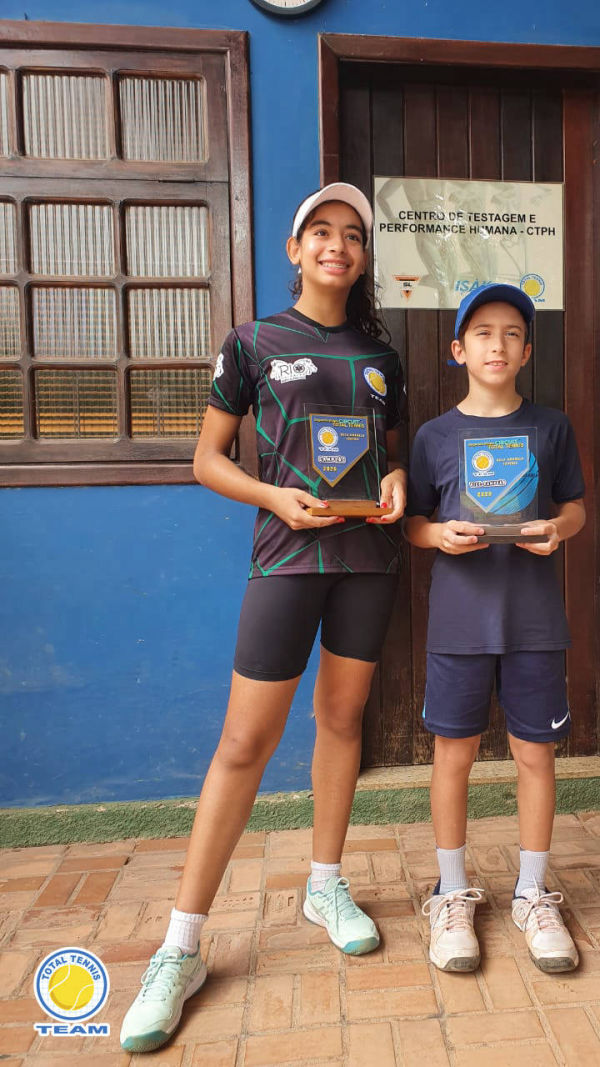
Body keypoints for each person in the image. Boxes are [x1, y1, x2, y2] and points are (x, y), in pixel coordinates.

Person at [120, 183, 407, 1053]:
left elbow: (387, 459)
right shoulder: (251, 343)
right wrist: (275, 496)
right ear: (295, 249)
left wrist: (396, 482)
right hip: (285, 561)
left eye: (352, 235)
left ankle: (325, 883)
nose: (337, 245)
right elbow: (207, 460)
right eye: (321, 231)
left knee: (343, 719)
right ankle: (180, 947)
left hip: (367, 564)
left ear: (364, 256)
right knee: (244, 742)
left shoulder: (381, 355)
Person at [404, 282, 585, 975]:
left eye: (512, 333)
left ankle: (533, 893)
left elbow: (575, 507)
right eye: (483, 332)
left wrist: (557, 530)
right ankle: (451, 893)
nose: (498, 344)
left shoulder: (551, 427)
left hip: (535, 620)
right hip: (458, 623)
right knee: (452, 755)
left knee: (535, 756)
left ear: (527, 351)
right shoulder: (434, 436)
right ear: (458, 349)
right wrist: (436, 536)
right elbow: (415, 522)